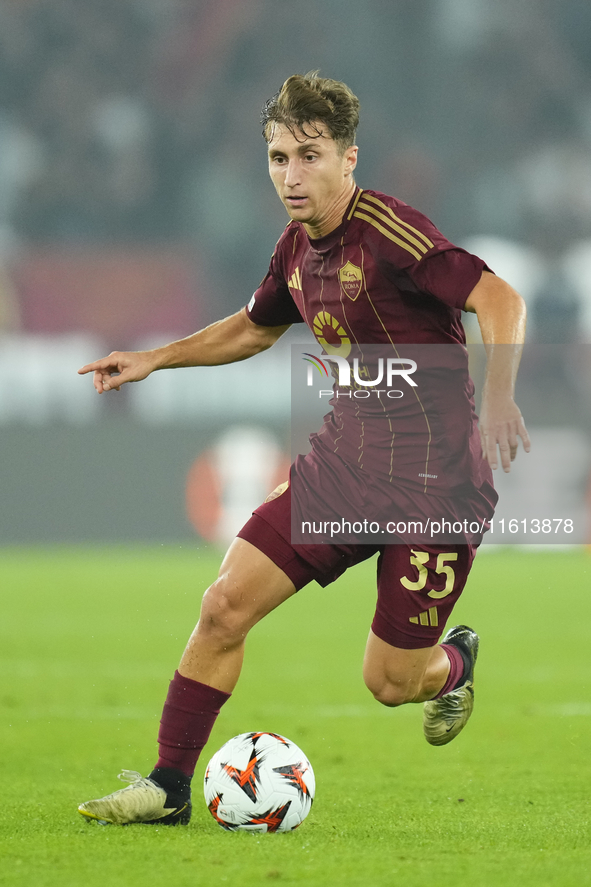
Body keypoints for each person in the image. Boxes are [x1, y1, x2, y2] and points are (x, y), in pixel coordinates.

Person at [77, 73, 529, 826]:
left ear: (348, 160)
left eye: (309, 156)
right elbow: (254, 326)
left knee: (388, 681)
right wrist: (157, 357)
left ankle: (454, 662)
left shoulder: (389, 232)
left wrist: (503, 390)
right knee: (222, 605)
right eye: (278, 156)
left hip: (436, 486)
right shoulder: (295, 248)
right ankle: (168, 787)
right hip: (345, 469)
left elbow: (496, 297)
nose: (291, 174)